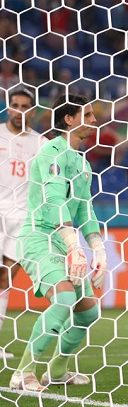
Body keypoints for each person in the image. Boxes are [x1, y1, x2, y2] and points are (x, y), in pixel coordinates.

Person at [9, 94, 106, 391]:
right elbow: (53, 201)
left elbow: (84, 208)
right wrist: (73, 244)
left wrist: (97, 247)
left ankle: (58, 371)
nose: (94, 120)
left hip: (65, 240)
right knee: (64, 297)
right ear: (69, 119)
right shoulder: (50, 152)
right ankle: (23, 373)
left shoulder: (82, 162)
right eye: (87, 115)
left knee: (88, 310)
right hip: (39, 236)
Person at [0, 88, 42, 360]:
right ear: (8, 107)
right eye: (15, 105)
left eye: (25, 106)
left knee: (5, 278)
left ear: (33, 110)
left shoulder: (41, 143)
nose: (19, 110)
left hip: (22, 219)